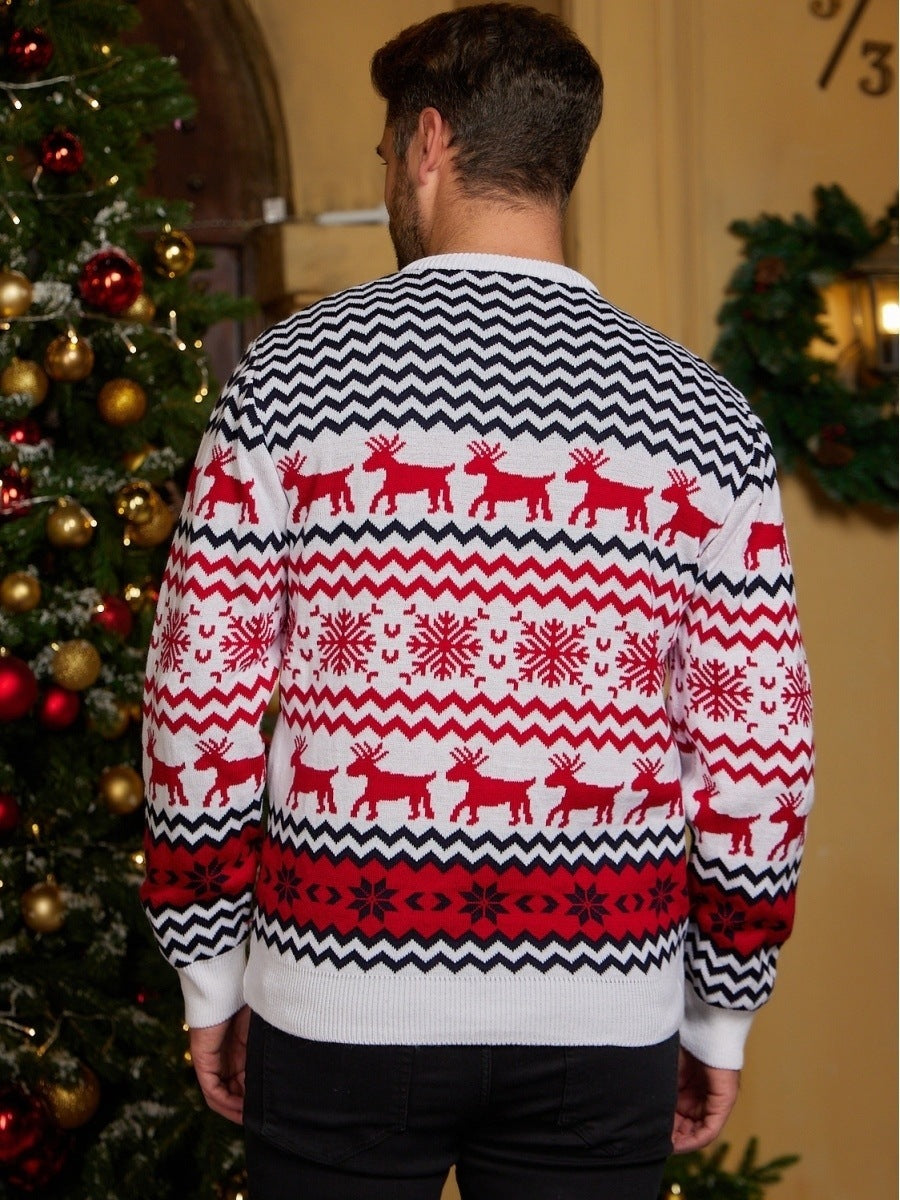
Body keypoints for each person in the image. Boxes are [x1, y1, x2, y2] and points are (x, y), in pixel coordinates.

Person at [140, 6, 814, 1198]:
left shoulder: (288, 381)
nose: (389, 176)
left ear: (429, 143)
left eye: (386, 152)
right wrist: (720, 1012)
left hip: (335, 998)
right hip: (605, 1014)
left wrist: (211, 975)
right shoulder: (704, 417)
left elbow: (200, 703)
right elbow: (759, 751)